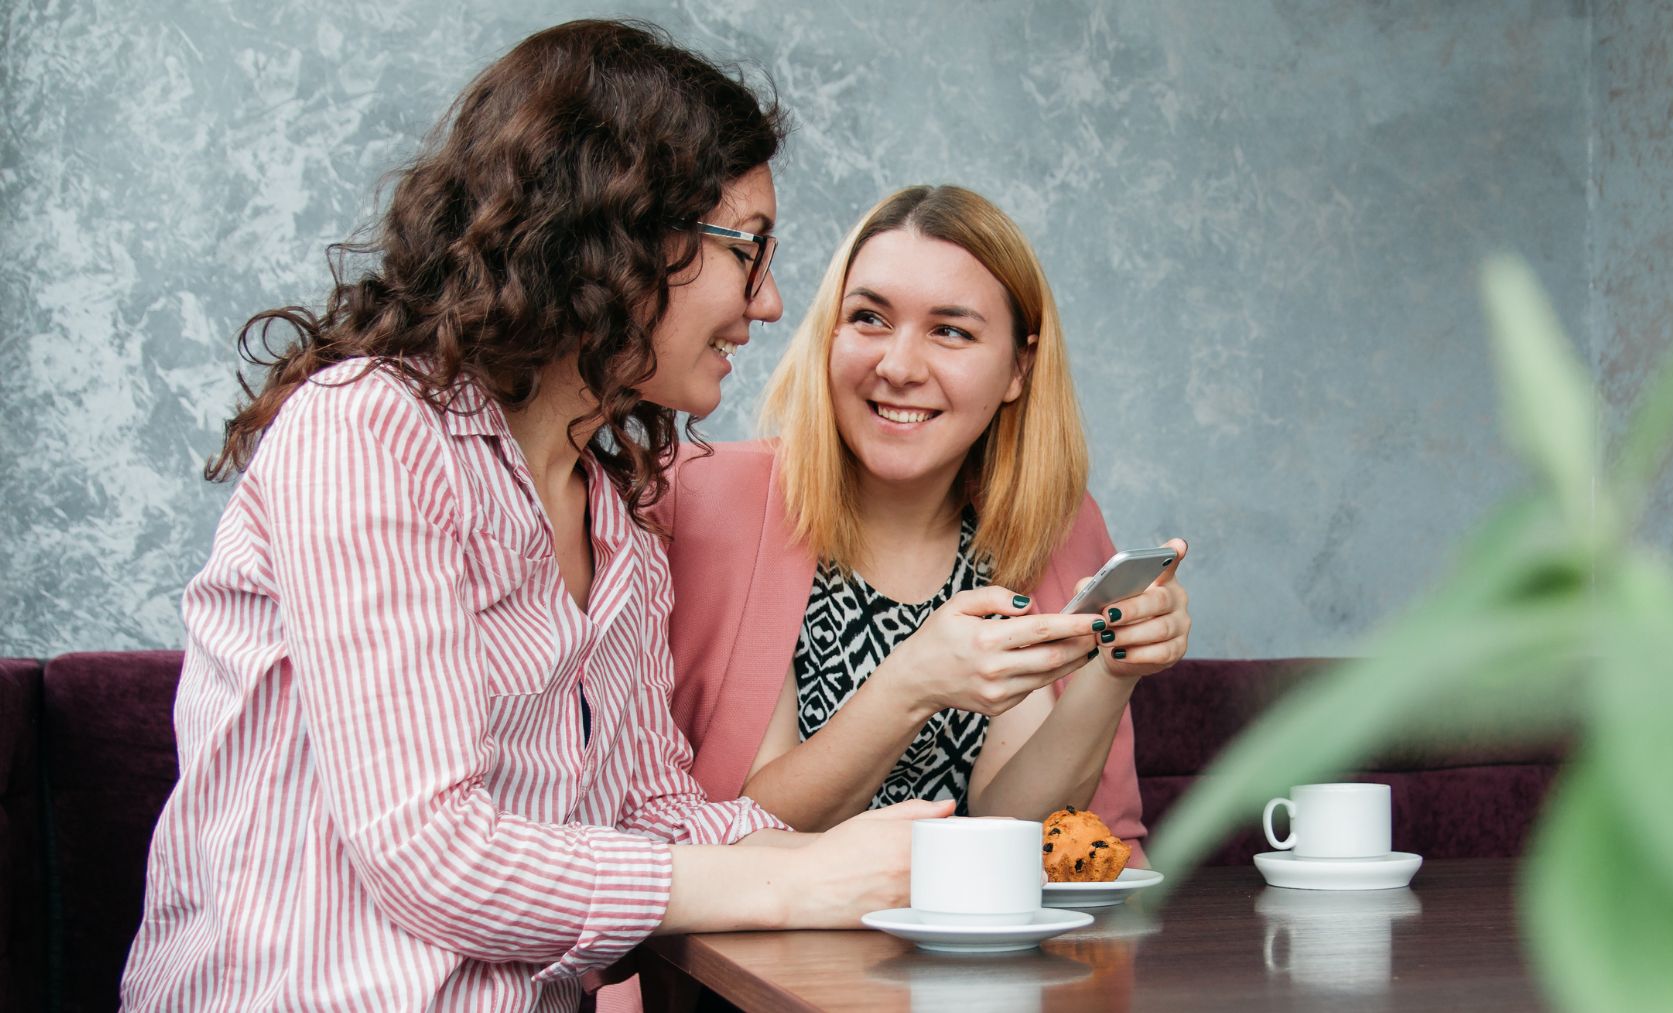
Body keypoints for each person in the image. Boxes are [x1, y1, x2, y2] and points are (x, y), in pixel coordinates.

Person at [120, 21, 947, 1012]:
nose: (768, 303)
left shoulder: (617, 526)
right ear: (619, 235)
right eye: (749, 249)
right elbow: (432, 849)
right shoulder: (370, 431)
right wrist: (791, 880)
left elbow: (657, 824)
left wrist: (881, 862)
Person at [652, 185, 1190, 851]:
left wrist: (1113, 670)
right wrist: (912, 682)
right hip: (764, 949)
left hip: (970, 949)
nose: (898, 365)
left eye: (950, 331)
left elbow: (1014, 827)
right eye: (870, 319)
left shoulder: (1057, 524)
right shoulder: (709, 498)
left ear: (1019, 367)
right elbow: (742, 831)